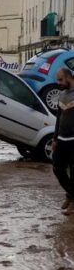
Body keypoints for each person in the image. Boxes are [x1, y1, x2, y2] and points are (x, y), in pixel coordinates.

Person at [52, 67, 74, 212]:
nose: (58, 83)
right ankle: (72, 194)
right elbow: (58, 119)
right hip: (61, 139)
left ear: (68, 77)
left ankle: (71, 200)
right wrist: (54, 138)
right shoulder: (61, 95)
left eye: (60, 79)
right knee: (57, 169)